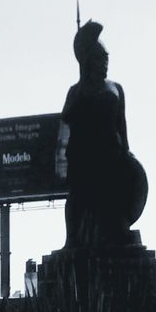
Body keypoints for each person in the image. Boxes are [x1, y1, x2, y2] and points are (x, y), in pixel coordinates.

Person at [55, 19, 145, 249]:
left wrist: (126, 150)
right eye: (99, 58)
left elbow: (121, 122)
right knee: (78, 197)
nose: (104, 62)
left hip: (111, 153)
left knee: (112, 199)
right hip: (84, 153)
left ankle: (118, 231)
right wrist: (63, 162)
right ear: (88, 61)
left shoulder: (116, 88)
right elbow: (65, 124)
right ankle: (72, 239)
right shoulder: (76, 91)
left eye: (107, 58)